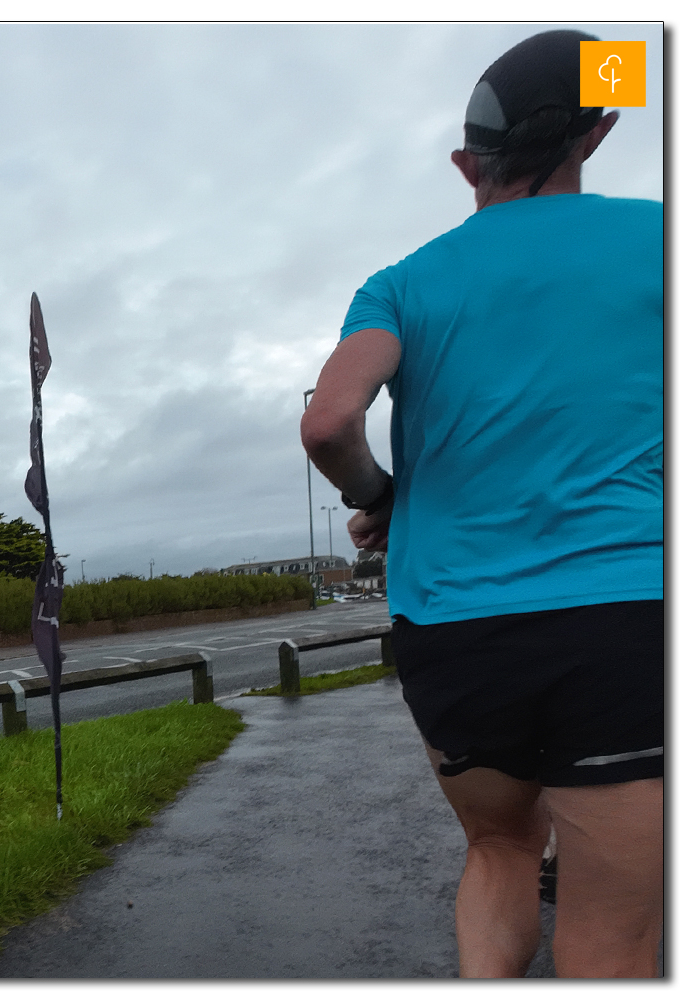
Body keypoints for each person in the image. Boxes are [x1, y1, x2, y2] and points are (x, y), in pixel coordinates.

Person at [301, 30, 662, 978]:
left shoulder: (401, 281)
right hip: (620, 618)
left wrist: (382, 496)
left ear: (468, 164)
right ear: (599, 135)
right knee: (612, 923)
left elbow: (330, 419)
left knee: (500, 851)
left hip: (453, 630)